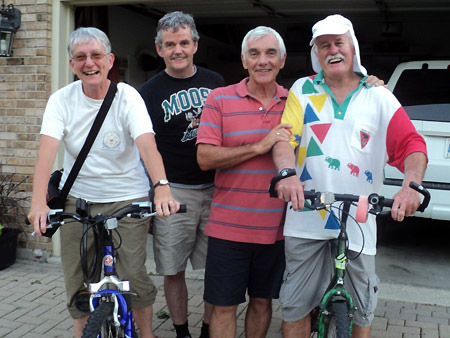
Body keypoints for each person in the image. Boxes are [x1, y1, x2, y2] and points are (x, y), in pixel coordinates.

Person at [271, 14, 427, 338]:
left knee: (362, 311)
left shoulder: (378, 96)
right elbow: (285, 139)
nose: (332, 50)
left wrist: (411, 186)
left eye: (338, 42)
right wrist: (287, 174)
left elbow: (413, 144)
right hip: (305, 217)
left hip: (360, 220)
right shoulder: (302, 89)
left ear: (352, 48)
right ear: (316, 53)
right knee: (295, 307)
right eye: (323, 45)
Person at [27, 27, 180, 338]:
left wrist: (161, 185)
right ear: (72, 65)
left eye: (96, 55)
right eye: (81, 57)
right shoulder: (61, 101)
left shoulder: (128, 98)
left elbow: (147, 145)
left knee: (133, 275)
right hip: (78, 200)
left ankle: (147, 333)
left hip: (127, 198)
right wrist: (38, 202)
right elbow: (46, 155)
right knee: (77, 278)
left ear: (110, 60)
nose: (89, 63)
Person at [196, 26, 291, 338]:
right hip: (228, 228)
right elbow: (205, 158)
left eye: (270, 53)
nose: (262, 61)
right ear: (243, 60)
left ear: (282, 60)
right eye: (254, 53)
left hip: (275, 229)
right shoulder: (219, 99)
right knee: (223, 307)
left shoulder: (295, 103)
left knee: (263, 302)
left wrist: (368, 82)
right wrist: (258, 147)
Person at [138, 11, 225, 338]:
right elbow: (144, 148)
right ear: (159, 49)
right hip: (173, 192)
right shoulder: (147, 91)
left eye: (184, 43)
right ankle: (182, 332)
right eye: (170, 44)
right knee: (172, 270)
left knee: (216, 270)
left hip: (217, 189)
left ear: (195, 46)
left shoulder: (216, 82)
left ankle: (206, 329)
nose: (178, 49)